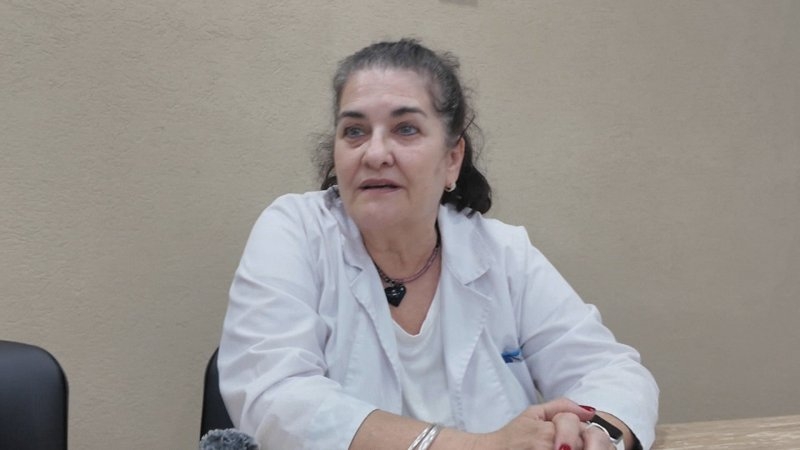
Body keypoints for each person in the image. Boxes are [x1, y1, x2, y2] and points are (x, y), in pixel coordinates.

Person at [218, 39, 659, 450]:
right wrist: (477, 447)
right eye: (354, 131)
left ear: (452, 159)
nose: (375, 153)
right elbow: (274, 397)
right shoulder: (295, 231)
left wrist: (595, 432)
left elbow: (611, 371)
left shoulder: (504, 253)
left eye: (405, 129)